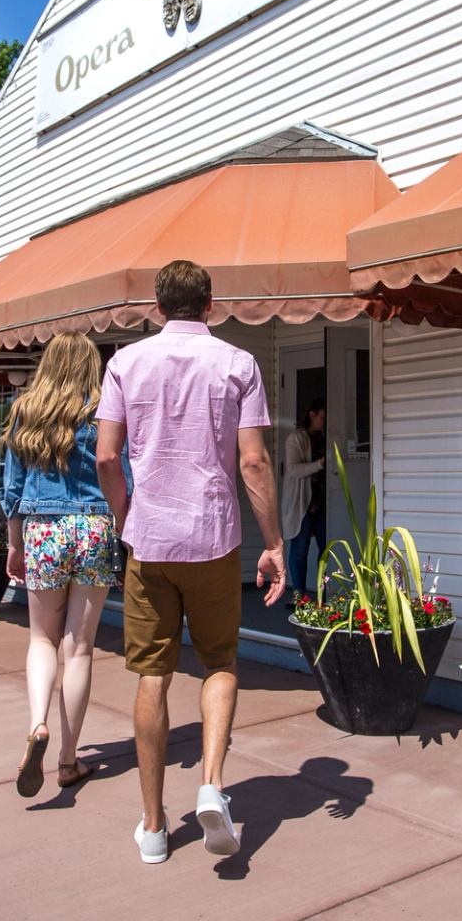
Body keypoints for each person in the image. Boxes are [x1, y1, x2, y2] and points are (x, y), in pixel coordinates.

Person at [96, 260, 284, 865]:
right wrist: (274, 543)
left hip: (149, 542)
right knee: (220, 663)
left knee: (154, 675)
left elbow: (105, 457)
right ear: (210, 305)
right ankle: (210, 784)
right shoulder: (238, 364)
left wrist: (126, 516)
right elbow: (253, 462)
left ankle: (153, 828)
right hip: (212, 538)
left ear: (157, 308)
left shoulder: (124, 363)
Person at [0, 333, 127, 798]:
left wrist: (15, 544)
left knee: (41, 639)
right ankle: (69, 760)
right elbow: (120, 474)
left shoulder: (25, 410)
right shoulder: (104, 409)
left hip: (44, 531)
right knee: (79, 648)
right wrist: (123, 529)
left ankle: (37, 724)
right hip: (93, 528)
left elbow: (12, 490)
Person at [280, 399, 328, 598]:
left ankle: (323, 591)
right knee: (300, 549)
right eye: (322, 417)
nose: (325, 421)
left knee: (326, 551)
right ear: (312, 415)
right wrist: (319, 464)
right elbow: (293, 469)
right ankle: (299, 593)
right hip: (303, 503)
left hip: (324, 502)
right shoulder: (296, 439)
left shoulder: (326, 437)